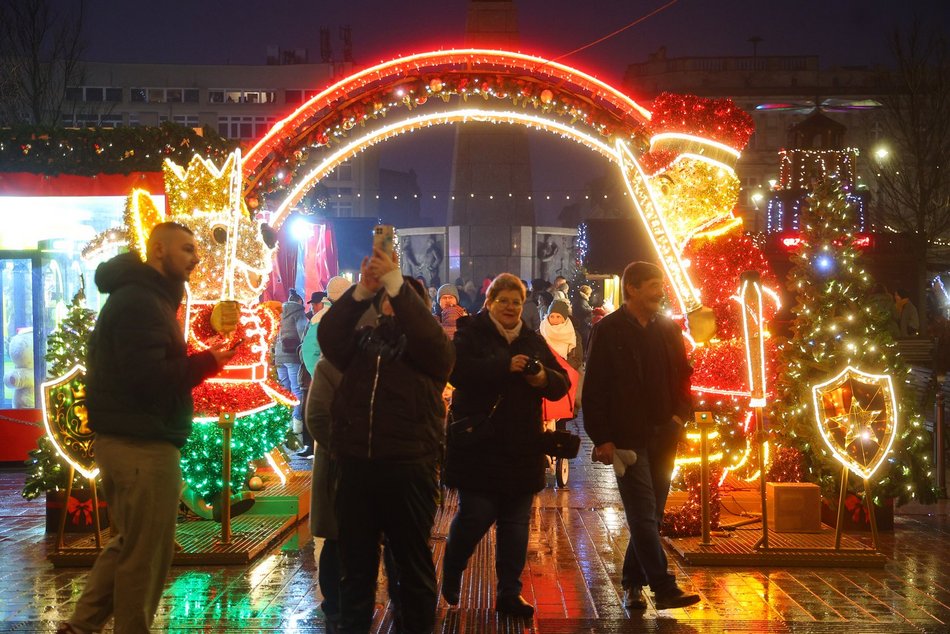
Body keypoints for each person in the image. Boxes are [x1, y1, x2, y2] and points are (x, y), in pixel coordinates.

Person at [58, 222, 237, 634]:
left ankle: (80, 627)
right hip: (142, 444)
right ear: (159, 251)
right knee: (146, 556)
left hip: (135, 440)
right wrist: (207, 362)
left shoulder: (145, 298)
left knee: (129, 545)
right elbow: (147, 378)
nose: (196, 257)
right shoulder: (141, 302)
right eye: (187, 249)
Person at [318, 247, 454, 634]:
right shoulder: (361, 343)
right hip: (357, 467)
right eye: (389, 299)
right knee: (355, 570)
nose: (394, 304)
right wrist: (362, 290)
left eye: (402, 299)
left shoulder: (430, 351)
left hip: (409, 467)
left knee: (412, 567)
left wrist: (397, 284)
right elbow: (329, 335)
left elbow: (430, 337)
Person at [441, 274, 568, 619]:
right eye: (504, 300)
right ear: (490, 302)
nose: (511, 307)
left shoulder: (532, 339)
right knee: (476, 514)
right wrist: (502, 365)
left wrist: (540, 376)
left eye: (517, 301)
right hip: (479, 445)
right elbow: (457, 372)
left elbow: (561, 384)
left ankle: (510, 592)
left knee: (515, 524)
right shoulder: (471, 333)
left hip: (522, 446)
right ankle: (452, 566)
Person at [582, 261, 701, 611]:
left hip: (665, 433)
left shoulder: (667, 329)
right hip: (627, 438)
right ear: (632, 288)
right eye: (653, 284)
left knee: (652, 513)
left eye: (660, 284)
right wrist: (602, 436)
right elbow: (596, 387)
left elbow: (684, 375)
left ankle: (633, 582)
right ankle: (663, 587)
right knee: (643, 512)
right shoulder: (609, 330)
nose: (660, 290)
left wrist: (680, 415)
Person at [276, 290, 308, 436]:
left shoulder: (279, 312)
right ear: (299, 302)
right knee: (297, 390)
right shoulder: (298, 312)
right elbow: (303, 333)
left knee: (284, 390)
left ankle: (283, 423)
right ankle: (297, 423)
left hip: (279, 356)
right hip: (292, 356)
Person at [573, 284, 594, 349]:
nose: (590, 295)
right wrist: (591, 310)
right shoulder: (581, 301)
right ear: (587, 293)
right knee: (584, 342)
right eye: (589, 293)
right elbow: (584, 311)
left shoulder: (580, 300)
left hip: (581, 324)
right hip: (582, 325)